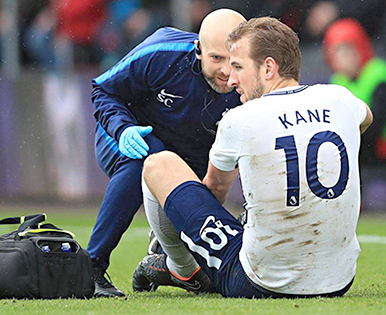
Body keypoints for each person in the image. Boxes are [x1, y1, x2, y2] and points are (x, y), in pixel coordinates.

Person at [133, 17, 373, 298]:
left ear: (268, 68)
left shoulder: (240, 118)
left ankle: (182, 268)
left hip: (260, 281)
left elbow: (214, 192)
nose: (231, 78)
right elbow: (365, 118)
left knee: (158, 164)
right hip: (339, 281)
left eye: (238, 67)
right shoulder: (340, 98)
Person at [88, 9, 246, 297]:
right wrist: (123, 130)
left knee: (206, 276)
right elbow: (103, 90)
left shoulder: (253, 79)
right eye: (216, 58)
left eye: (233, 61)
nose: (226, 71)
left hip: (194, 155)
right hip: (132, 139)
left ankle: (161, 257)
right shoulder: (161, 52)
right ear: (198, 49)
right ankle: (91, 268)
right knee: (144, 160)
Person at [323, 18, 386, 164]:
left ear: (361, 47)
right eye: (338, 52)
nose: (345, 58)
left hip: (379, 153)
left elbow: (375, 125)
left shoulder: (378, 74)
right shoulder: (338, 80)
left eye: (349, 49)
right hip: (357, 151)